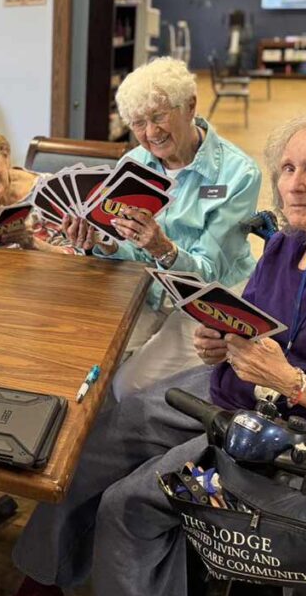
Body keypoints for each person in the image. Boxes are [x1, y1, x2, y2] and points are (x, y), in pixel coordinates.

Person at [0, 111, 306, 596]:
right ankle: (43, 581)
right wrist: (220, 340)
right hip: (234, 395)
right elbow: (252, 324)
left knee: (131, 503)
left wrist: (291, 382)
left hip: (305, 444)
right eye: (288, 168)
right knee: (101, 434)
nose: (293, 185)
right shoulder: (287, 245)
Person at [64, 57, 261, 398]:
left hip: (207, 299)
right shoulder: (135, 164)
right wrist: (104, 244)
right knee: (87, 359)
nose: (151, 133)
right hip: (149, 289)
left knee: (127, 386)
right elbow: (128, 246)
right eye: (139, 123)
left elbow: (209, 272)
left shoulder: (238, 174)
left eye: (159, 116)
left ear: (190, 107)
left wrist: (163, 249)